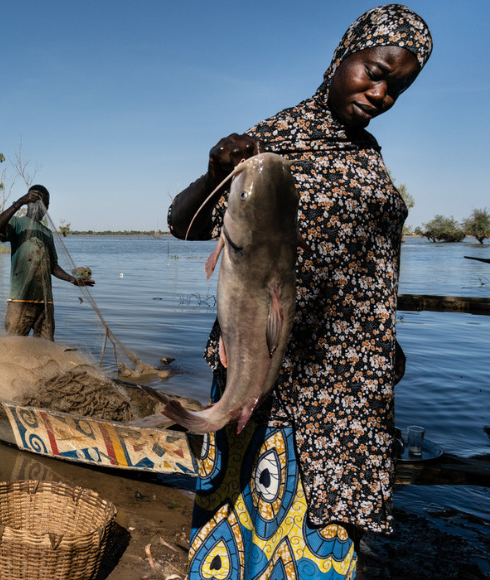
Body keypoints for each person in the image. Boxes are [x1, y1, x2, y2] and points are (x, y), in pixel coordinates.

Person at [167, 5, 432, 579]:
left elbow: (371, 268)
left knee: (322, 543)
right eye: (377, 71)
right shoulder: (270, 144)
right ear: (344, 55)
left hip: (352, 388)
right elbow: (185, 225)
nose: (382, 93)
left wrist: (388, 350)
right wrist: (217, 173)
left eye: (399, 87)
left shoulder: (369, 154)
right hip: (266, 371)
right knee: (238, 527)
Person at [0, 184, 94, 340]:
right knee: (13, 348)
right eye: (40, 203)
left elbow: (52, 266)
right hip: (20, 301)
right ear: (30, 203)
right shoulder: (17, 224)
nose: (43, 208)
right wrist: (19, 202)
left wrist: (73, 279)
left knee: (46, 348)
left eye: (46, 205)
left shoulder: (47, 233)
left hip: (45, 303)